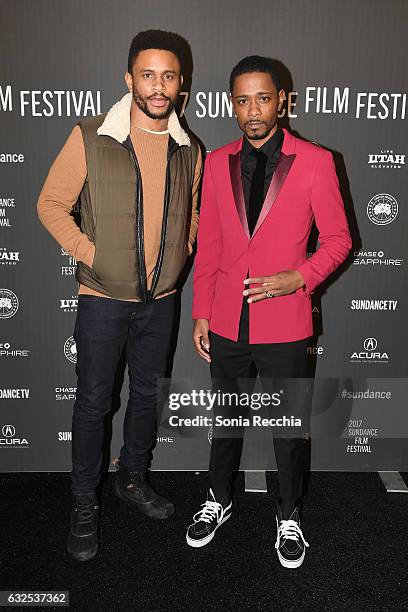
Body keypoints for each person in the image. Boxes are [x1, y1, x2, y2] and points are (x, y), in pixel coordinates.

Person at [37, 29, 202, 562]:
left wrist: (180, 252)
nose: (158, 86)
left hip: (163, 299)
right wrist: (92, 254)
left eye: (169, 76)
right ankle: (84, 500)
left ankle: (132, 480)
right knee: (93, 402)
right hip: (103, 298)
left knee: (148, 397)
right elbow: (50, 204)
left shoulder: (188, 148)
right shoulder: (90, 135)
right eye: (148, 75)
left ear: (181, 84)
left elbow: (193, 213)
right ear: (129, 78)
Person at [187, 55, 351, 568]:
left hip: (286, 321)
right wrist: (201, 312)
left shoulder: (317, 162)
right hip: (228, 319)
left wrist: (297, 278)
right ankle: (218, 499)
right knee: (225, 420)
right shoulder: (216, 163)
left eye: (263, 98)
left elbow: (341, 239)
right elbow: (209, 244)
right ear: (230, 103)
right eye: (242, 100)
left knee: (289, 427)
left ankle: (288, 515)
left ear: (283, 99)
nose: (253, 110)